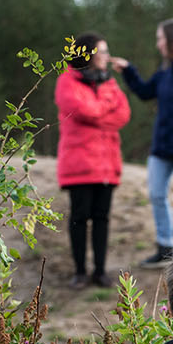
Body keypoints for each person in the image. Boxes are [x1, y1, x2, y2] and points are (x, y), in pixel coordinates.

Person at [111, 19, 173, 268]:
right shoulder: (167, 70)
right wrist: (128, 71)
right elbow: (146, 92)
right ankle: (165, 249)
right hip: (163, 147)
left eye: (160, 39)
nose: (158, 44)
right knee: (156, 194)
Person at [55, 32, 130, 289]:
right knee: (79, 217)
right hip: (79, 164)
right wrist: (103, 110)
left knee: (102, 218)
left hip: (107, 165)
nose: (107, 57)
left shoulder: (109, 82)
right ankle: (79, 271)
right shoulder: (66, 81)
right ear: (87, 54)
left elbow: (123, 115)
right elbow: (81, 110)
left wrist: (98, 113)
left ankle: (99, 271)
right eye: (102, 51)